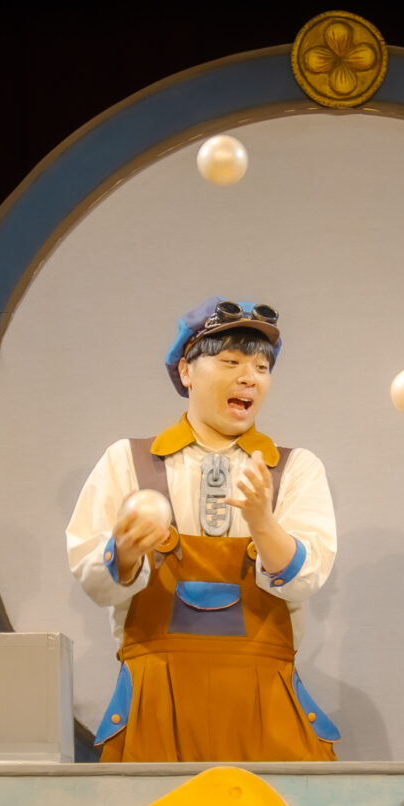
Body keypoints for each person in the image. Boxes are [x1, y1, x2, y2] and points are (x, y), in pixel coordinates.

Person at [67, 297, 338, 761]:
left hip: (265, 707)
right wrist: (125, 552)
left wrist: (262, 522)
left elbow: (306, 578)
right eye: (231, 362)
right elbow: (94, 579)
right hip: (156, 703)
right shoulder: (126, 461)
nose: (249, 377)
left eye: (261, 367)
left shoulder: (295, 469)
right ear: (186, 371)